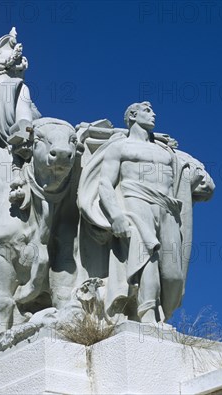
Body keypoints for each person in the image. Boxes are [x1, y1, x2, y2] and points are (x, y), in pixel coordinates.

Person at [78, 102, 184, 324]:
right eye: (148, 111)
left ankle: (162, 313)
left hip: (167, 208)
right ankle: (148, 317)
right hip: (135, 202)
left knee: (173, 275)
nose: (154, 114)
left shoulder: (164, 150)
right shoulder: (120, 147)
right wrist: (116, 215)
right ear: (133, 115)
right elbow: (106, 182)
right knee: (147, 260)